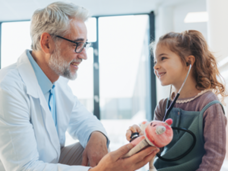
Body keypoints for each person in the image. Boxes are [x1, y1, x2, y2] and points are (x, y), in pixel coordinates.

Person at [0, 1, 159, 171]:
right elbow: (24, 168)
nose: (84, 55)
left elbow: (84, 121)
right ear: (47, 43)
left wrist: (96, 135)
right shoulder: (8, 88)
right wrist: (99, 170)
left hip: (49, 163)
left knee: (93, 147)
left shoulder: (57, 82)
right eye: (77, 44)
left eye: (85, 45)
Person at [126, 30, 227, 171]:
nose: (155, 66)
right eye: (155, 61)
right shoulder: (163, 106)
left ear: (188, 61)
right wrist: (139, 137)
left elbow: (215, 156)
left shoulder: (209, 105)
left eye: (163, 58)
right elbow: (154, 148)